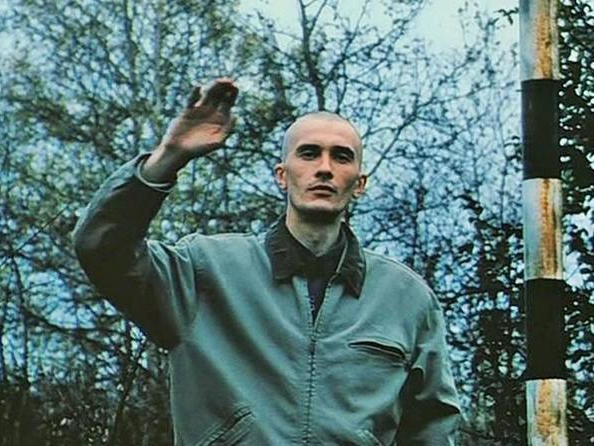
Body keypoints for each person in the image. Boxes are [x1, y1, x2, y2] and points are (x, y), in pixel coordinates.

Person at [74, 78, 461, 445]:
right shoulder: (205, 270)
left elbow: (432, 427)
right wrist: (168, 157)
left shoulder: (405, 298)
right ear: (282, 175)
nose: (324, 167)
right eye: (308, 153)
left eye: (341, 157)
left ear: (359, 184)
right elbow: (103, 249)